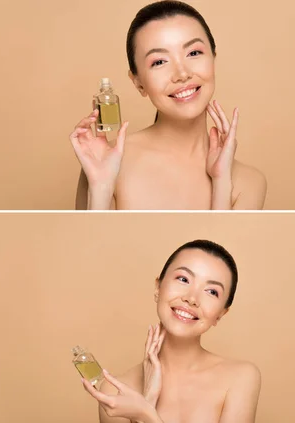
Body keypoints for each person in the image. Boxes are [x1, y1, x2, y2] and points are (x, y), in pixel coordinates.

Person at [71, 1, 266, 210]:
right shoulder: (106, 162)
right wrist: (101, 186)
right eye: (159, 62)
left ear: (213, 58)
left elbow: (218, 238)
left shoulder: (250, 182)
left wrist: (221, 182)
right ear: (138, 82)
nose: (182, 74)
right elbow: (98, 239)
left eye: (193, 53)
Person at [82, 240, 261, 423]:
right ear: (158, 288)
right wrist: (148, 398)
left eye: (212, 292)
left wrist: (145, 413)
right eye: (183, 279)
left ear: (221, 314)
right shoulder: (115, 391)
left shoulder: (241, 378)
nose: (191, 299)